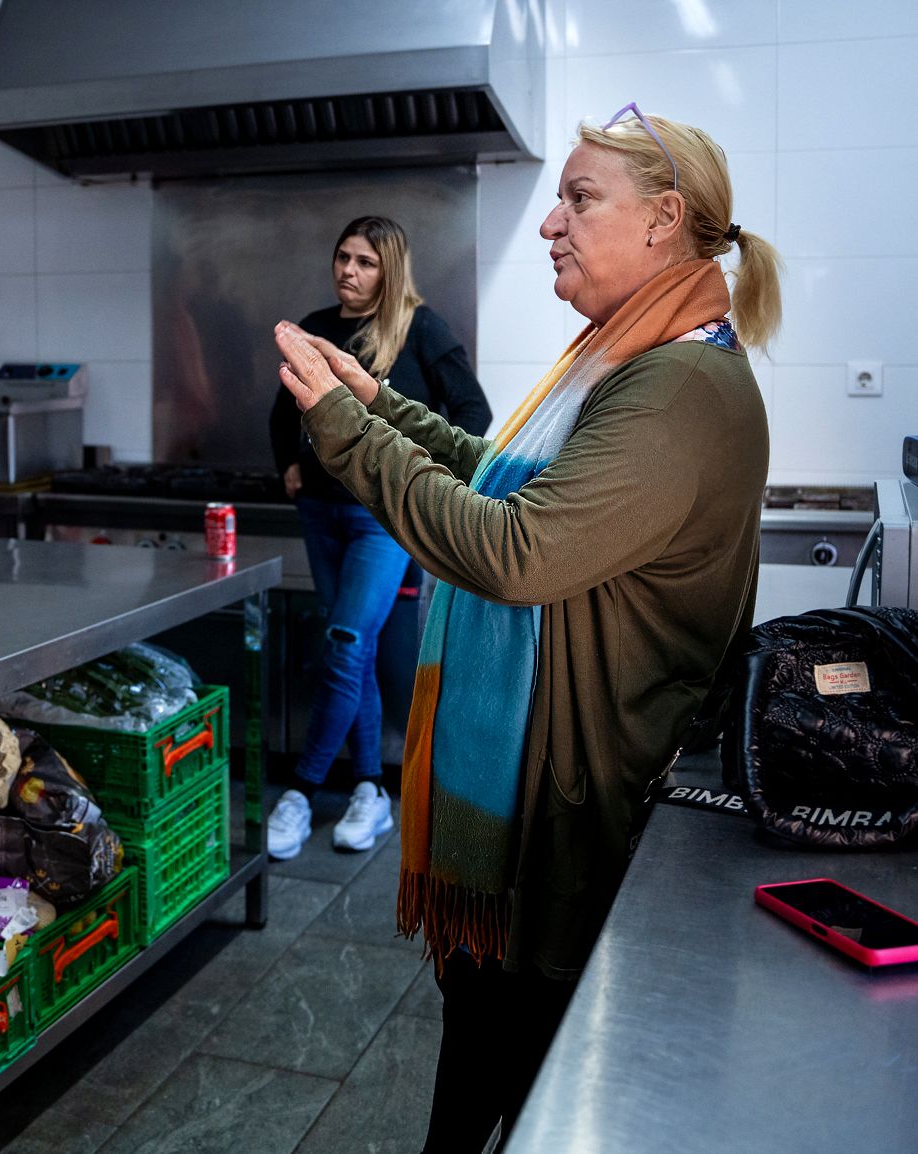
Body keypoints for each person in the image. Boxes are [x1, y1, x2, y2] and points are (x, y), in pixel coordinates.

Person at [274, 106, 778, 1152]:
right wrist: (383, 406)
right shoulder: (622, 357)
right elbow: (499, 473)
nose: (552, 222)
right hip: (538, 802)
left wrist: (348, 433)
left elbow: (515, 549)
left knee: (515, 1087)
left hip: (571, 816)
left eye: (581, 198)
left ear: (663, 221)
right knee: (478, 1074)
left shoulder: (679, 383)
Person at [266, 216, 492, 859]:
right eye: (342, 257)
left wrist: (423, 475)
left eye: (365, 261)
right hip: (320, 511)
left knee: (344, 643)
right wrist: (287, 460)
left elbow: (472, 412)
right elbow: (285, 407)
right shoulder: (317, 325)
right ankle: (370, 789)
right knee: (353, 648)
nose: (349, 271)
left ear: (389, 269)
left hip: (381, 518)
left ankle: (303, 788)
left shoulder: (422, 329)